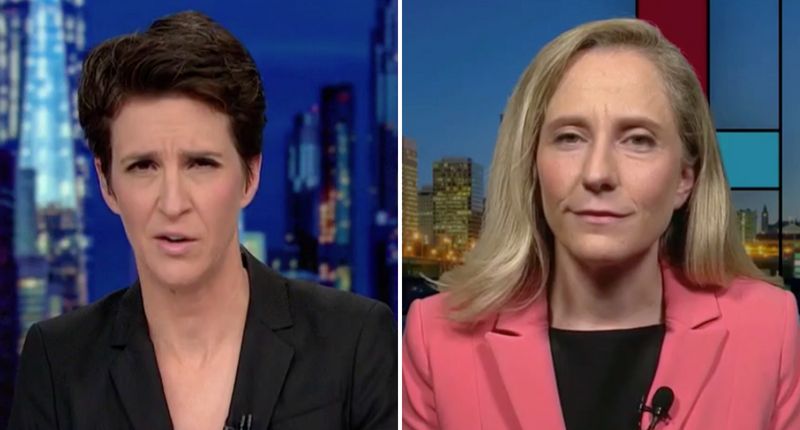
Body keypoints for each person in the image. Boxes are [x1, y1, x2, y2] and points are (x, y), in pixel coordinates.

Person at [403, 18, 800, 430]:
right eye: (570, 137)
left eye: (638, 140)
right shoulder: (436, 338)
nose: (597, 173)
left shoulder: (768, 329)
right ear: (532, 166)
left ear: (685, 179)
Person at [9, 11, 396, 430]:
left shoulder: (353, 341)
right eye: (143, 166)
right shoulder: (58, 362)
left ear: (250, 176)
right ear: (106, 183)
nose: (173, 203)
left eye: (200, 164)